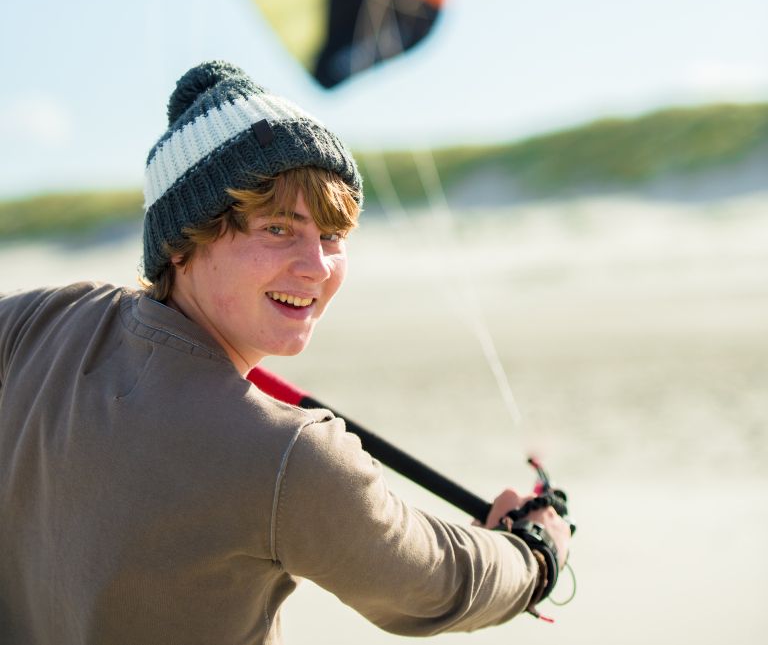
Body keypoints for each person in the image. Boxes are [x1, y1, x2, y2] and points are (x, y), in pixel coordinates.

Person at [0, 61, 571, 644]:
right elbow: (436, 583)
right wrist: (536, 554)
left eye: (332, 236)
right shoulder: (289, 454)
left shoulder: (42, 320)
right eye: (277, 228)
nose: (317, 266)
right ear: (183, 242)